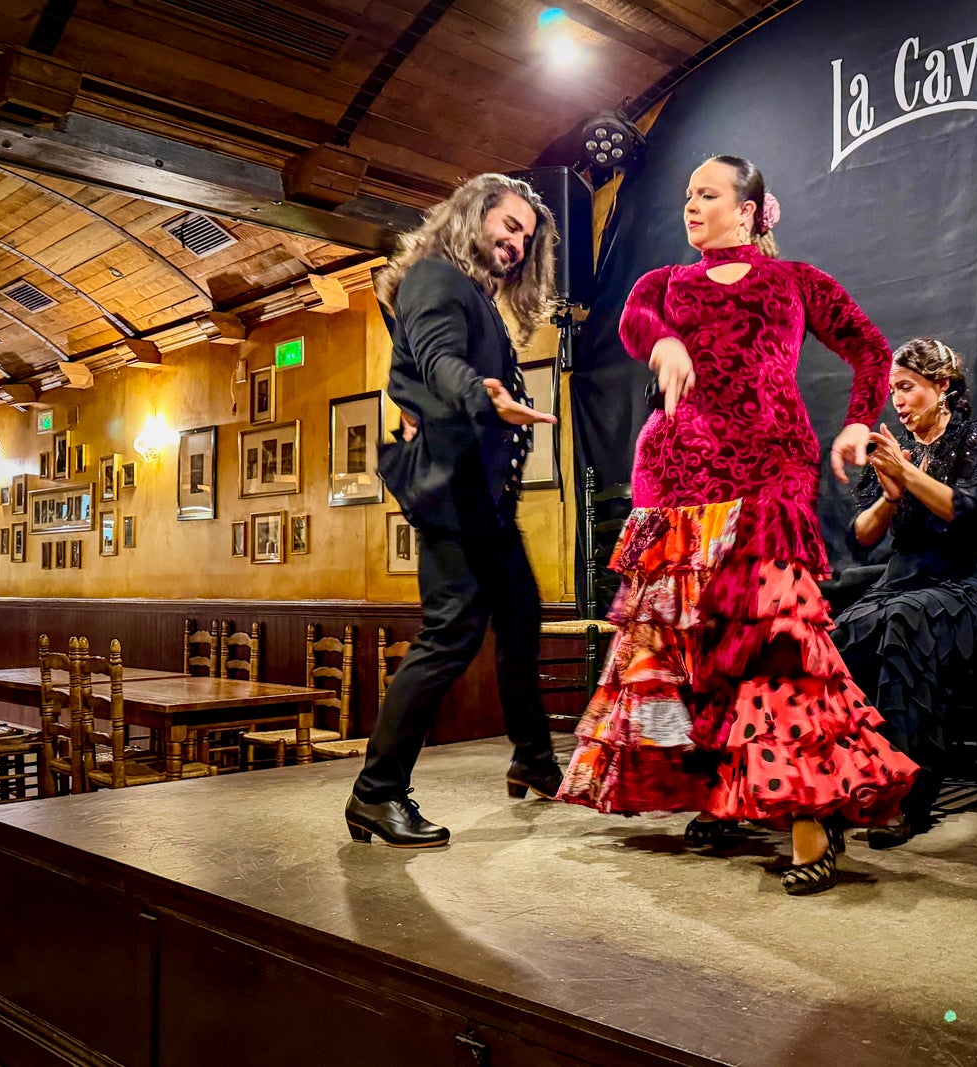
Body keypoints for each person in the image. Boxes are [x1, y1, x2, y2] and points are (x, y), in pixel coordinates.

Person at [557, 154, 917, 895]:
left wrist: (857, 424)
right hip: (677, 480)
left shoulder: (794, 282)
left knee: (774, 643)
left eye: (708, 194)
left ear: (749, 210)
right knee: (695, 650)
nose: (691, 204)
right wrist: (661, 342)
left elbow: (870, 349)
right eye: (687, 193)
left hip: (767, 476)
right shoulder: (662, 284)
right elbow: (635, 320)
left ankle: (810, 818)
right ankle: (722, 791)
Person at [345, 173, 563, 848]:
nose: (518, 242)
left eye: (527, 235)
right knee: (450, 635)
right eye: (509, 225)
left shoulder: (466, 293)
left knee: (520, 618)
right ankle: (376, 793)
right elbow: (438, 360)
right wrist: (483, 392)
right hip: (453, 494)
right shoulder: (438, 279)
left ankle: (533, 755)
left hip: (482, 498)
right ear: (473, 217)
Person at [832, 338, 977, 848]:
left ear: (942, 386)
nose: (896, 400)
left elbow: (967, 513)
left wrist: (906, 474)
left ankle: (908, 797)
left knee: (905, 623)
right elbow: (862, 537)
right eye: (892, 390)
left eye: (907, 388)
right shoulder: (898, 451)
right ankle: (853, 786)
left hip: (967, 583)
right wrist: (891, 496)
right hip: (904, 579)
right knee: (846, 630)